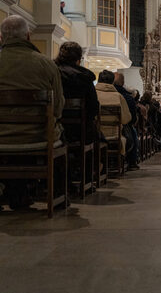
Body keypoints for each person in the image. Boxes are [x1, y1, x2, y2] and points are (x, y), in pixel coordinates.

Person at [0, 15, 64, 209]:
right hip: (39, 136)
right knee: (61, 136)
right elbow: (59, 108)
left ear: (2, 38)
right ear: (28, 36)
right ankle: (59, 196)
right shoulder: (47, 64)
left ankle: (14, 191)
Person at [55, 41, 99, 144]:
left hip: (54, 127)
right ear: (78, 60)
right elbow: (93, 107)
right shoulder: (84, 78)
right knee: (98, 136)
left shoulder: (53, 72)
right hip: (80, 131)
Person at [95, 70, 131, 158]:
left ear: (99, 81)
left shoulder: (93, 94)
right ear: (112, 82)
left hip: (96, 133)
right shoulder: (118, 97)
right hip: (114, 134)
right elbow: (126, 119)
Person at [114, 72, 139, 170]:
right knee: (132, 130)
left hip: (98, 130)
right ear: (123, 82)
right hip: (120, 131)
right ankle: (132, 162)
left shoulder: (97, 94)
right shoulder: (127, 97)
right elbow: (132, 118)